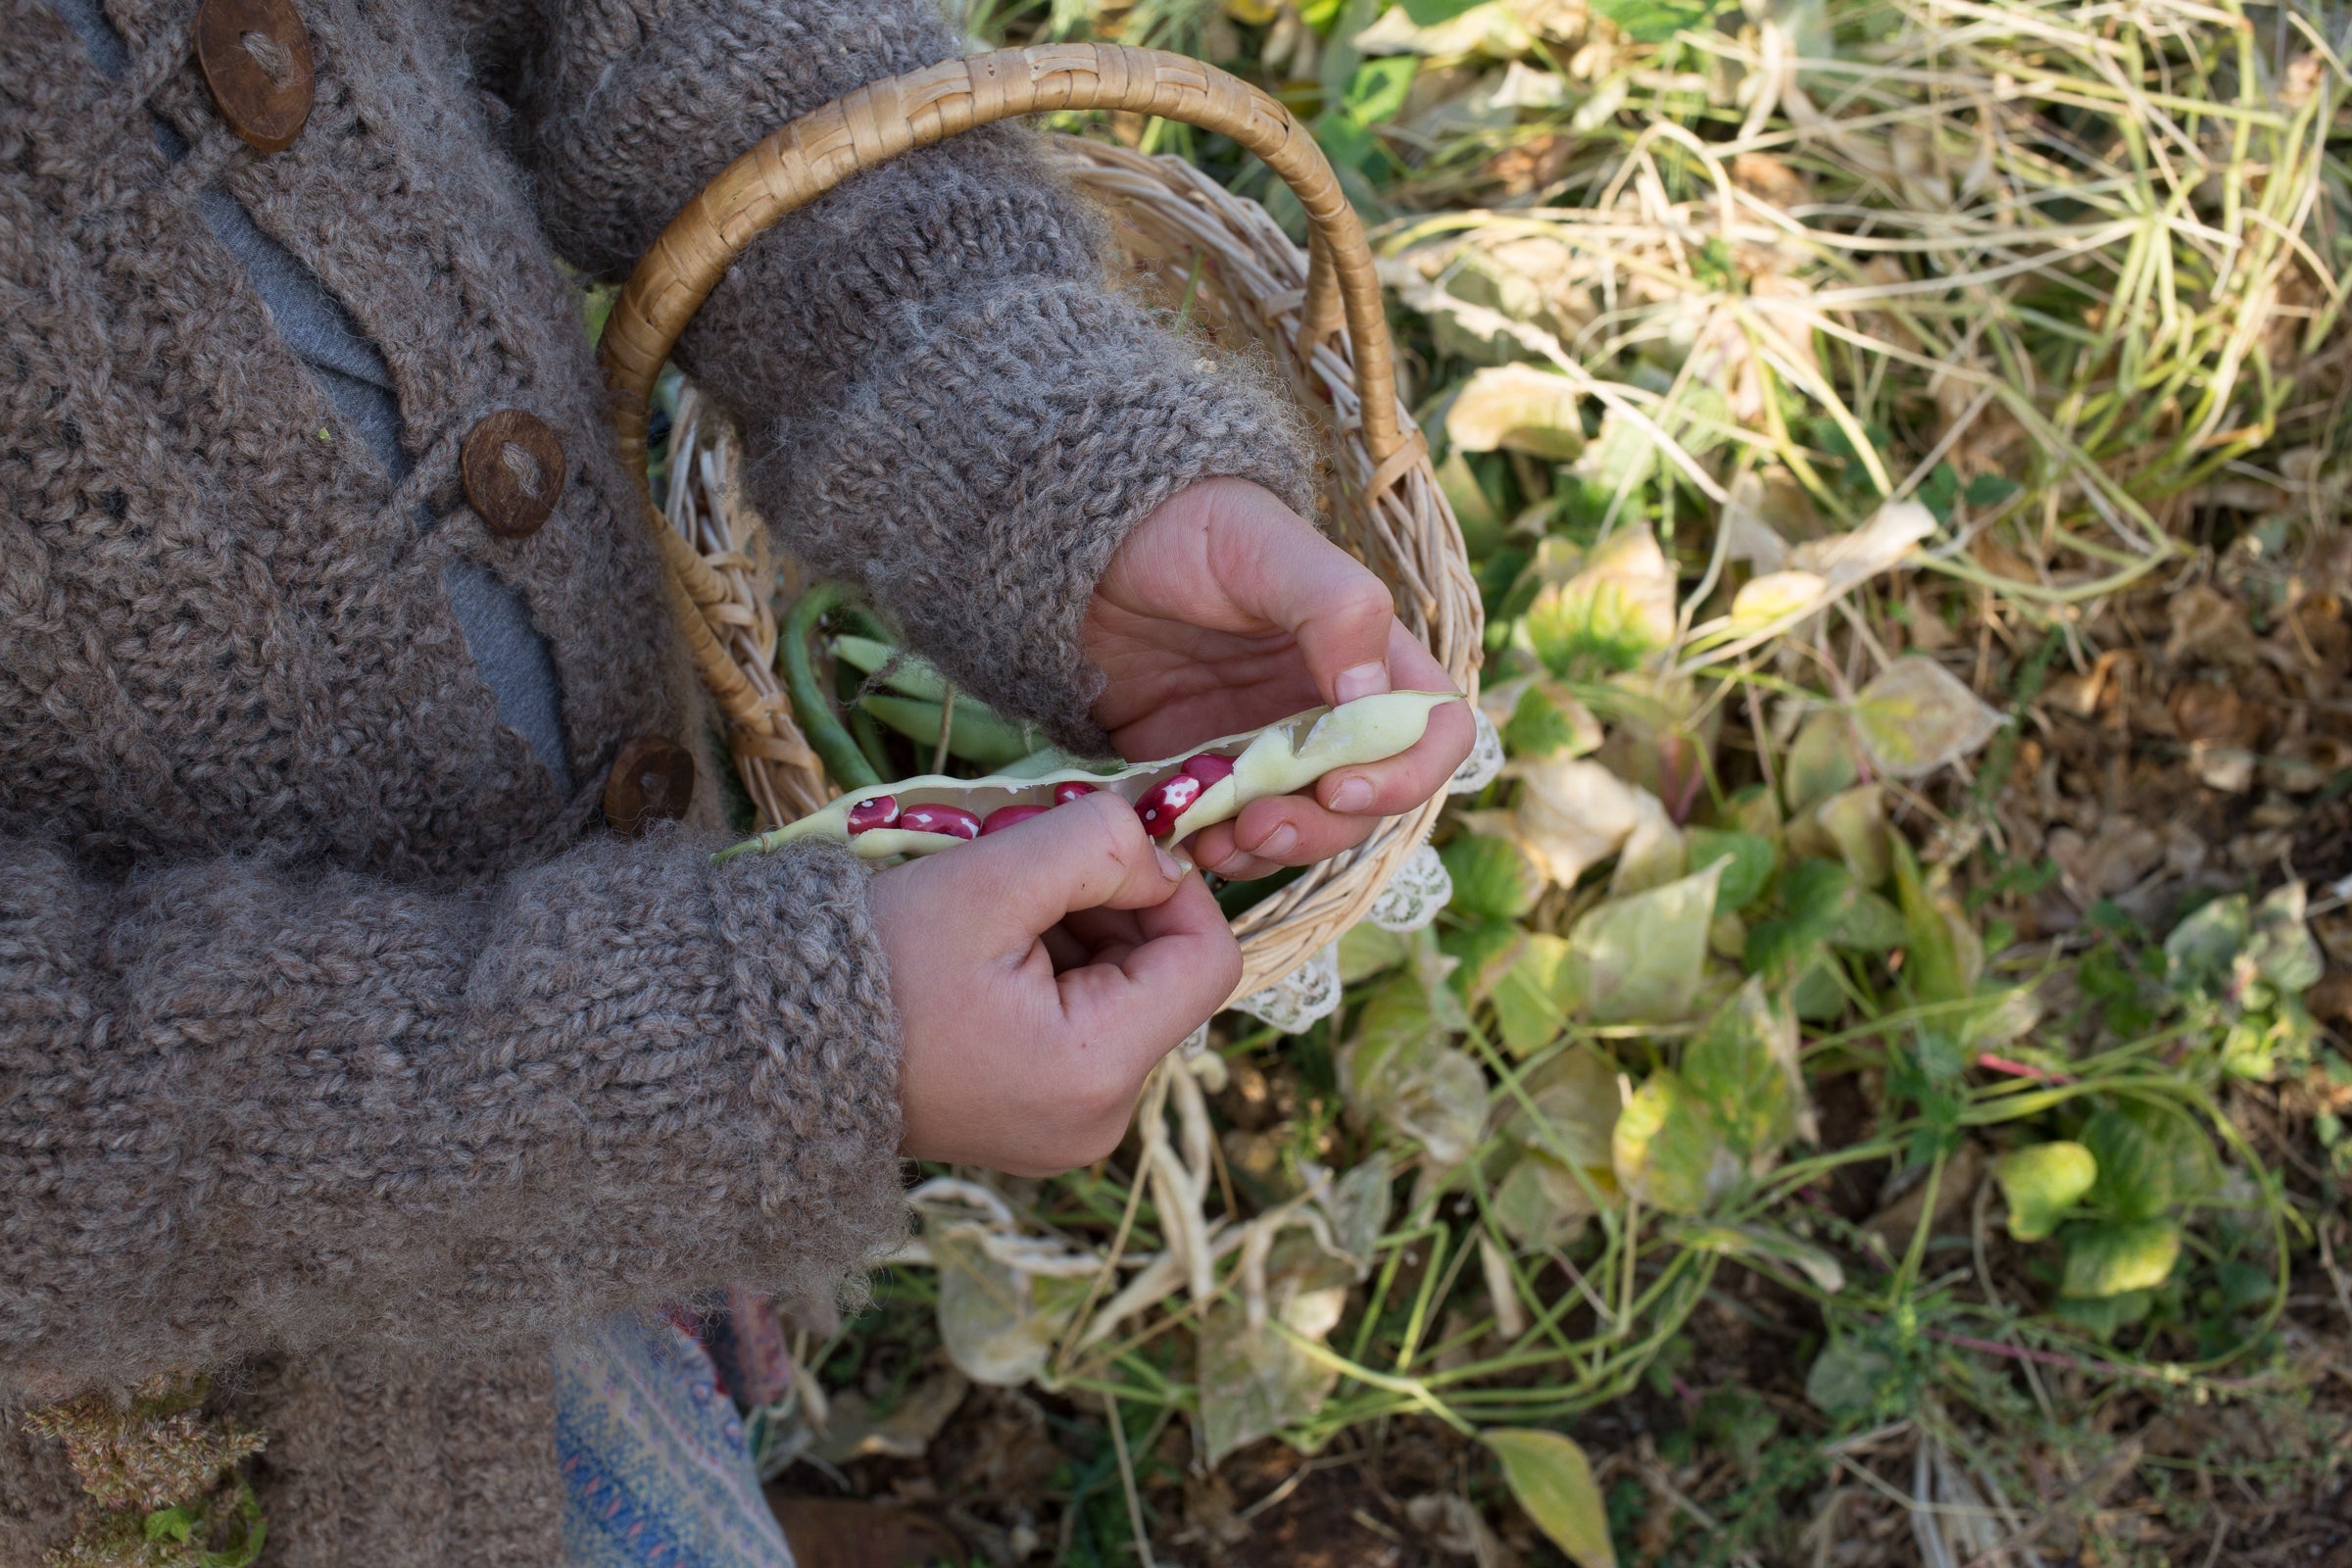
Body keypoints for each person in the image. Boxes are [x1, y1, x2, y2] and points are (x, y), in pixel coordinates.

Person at [0, 0, 1473, 1563]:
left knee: (640, 1385)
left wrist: (1042, 466)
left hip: (630, 1060)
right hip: (196, 1415)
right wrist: (745, 1062)